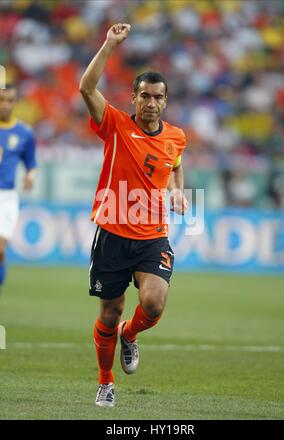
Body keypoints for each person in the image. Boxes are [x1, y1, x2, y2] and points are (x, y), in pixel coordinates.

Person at [80, 23, 188, 407]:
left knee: (155, 304)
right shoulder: (115, 126)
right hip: (111, 232)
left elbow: (174, 162)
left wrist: (176, 191)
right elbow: (86, 88)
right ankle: (106, 381)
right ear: (134, 98)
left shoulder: (176, 136)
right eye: (145, 96)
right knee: (110, 312)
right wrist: (110, 44)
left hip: (152, 234)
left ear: (165, 101)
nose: (152, 103)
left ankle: (132, 334)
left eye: (158, 97)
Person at [0, 84, 37, 291]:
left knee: (0, 249)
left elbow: (31, 164)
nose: (5, 105)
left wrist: (30, 176)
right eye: (1, 100)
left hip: (5, 197)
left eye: (9, 100)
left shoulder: (23, 132)